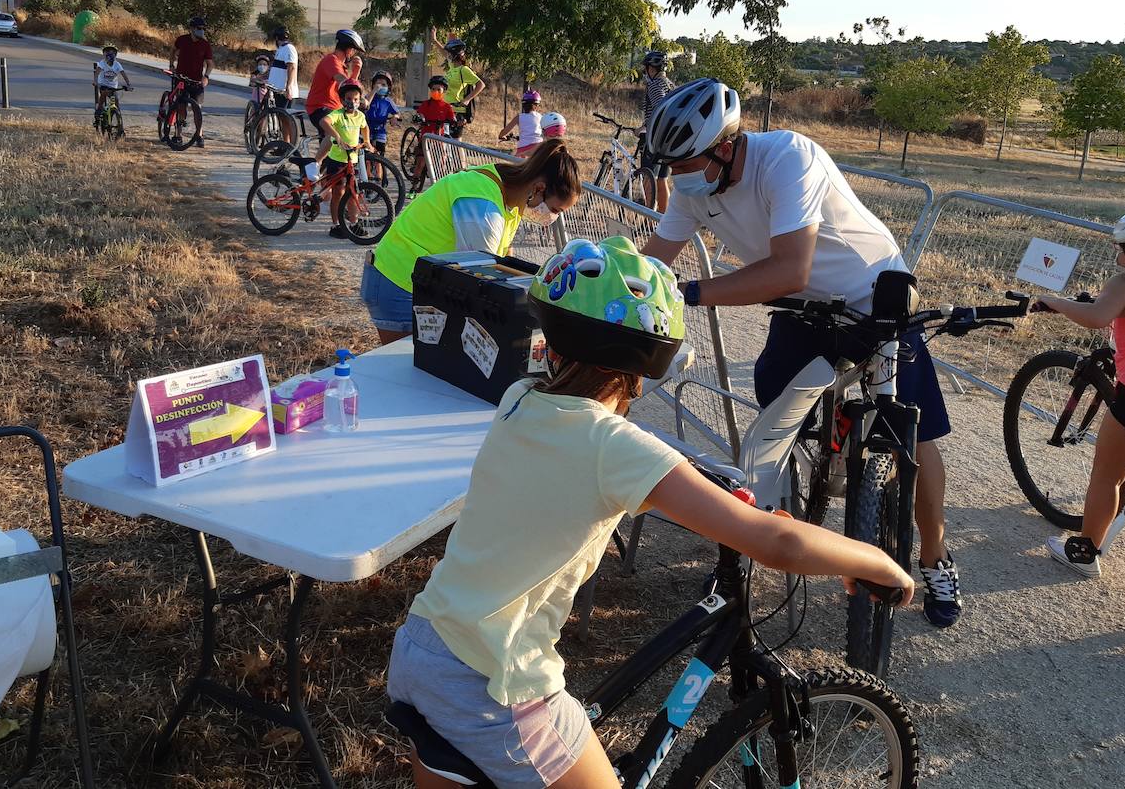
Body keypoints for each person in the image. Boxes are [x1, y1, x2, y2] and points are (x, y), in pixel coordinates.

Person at [386, 235, 914, 788]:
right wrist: (875, 558)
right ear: (644, 369)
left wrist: (697, 484)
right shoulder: (614, 449)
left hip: (424, 646)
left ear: (555, 343)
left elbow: (593, 458)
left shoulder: (520, 398)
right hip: (495, 683)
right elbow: (775, 543)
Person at [641, 77, 963, 628]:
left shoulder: (787, 157)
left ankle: (934, 554)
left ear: (724, 147)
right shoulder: (698, 189)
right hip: (800, 305)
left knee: (914, 433)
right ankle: (754, 532)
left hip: (872, 292)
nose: (676, 181)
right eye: (667, 168)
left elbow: (791, 267)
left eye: (685, 167)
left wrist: (691, 292)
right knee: (772, 417)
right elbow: (651, 261)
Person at [364, 139, 581, 345]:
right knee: (408, 372)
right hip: (398, 280)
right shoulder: (483, 206)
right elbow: (480, 280)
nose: (551, 218)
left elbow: (502, 263)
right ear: (539, 188)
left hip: (420, 282)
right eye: (554, 210)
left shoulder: (511, 199)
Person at [1031, 204, 1125, 577]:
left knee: (1106, 474)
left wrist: (1055, 303)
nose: (1117, 256)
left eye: (1122, 249)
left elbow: (1098, 317)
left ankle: (1084, 550)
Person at [321, 79, 373, 239]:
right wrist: (337, 137)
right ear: (342, 99)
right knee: (338, 193)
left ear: (360, 100)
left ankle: (353, 223)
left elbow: (365, 127)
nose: (352, 102)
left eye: (356, 99)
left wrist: (367, 142)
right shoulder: (337, 114)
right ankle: (336, 225)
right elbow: (324, 122)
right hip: (337, 160)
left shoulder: (360, 116)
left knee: (353, 193)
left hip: (353, 160)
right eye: (349, 99)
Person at [307, 28, 365, 148]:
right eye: (354, 50)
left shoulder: (341, 65)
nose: (353, 53)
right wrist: (362, 98)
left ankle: (328, 165)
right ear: (348, 49)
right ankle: (315, 164)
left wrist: (356, 71)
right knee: (335, 135)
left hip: (334, 108)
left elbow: (348, 89)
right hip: (320, 108)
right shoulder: (331, 60)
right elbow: (343, 82)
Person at [167, 16, 214, 147]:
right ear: (192, 29)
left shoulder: (205, 44)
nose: (202, 31)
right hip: (181, 78)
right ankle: (178, 134)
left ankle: (199, 135)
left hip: (196, 81)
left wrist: (206, 77)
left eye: (204, 29)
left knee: (197, 108)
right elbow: (173, 51)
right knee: (181, 107)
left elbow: (210, 64)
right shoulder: (182, 40)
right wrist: (171, 65)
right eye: (199, 28)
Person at [639, 50, 675, 212]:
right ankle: (661, 216)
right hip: (669, 139)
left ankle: (648, 216)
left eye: (646, 68)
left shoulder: (654, 85)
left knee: (648, 177)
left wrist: (644, 126)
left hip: (656, 138)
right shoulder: (669, 84)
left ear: (651, 69)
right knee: (662, 179)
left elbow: (660, 109)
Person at [430, 32, 484, 138]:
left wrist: (467, 99)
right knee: (443, 141)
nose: (447, 55)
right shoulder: (452, 66)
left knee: (456, 145)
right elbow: (444, 53)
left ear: (455, 55)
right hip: (446, 109)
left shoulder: (463, 70)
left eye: (450, 53)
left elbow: (481, 85)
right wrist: (435, 40)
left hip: (457, 112)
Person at [411, 76, 458, 183]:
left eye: (438, 90)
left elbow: (452, 118)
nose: (435, 92)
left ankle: (439, 185)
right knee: (420, 163)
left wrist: (456, 121)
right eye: (433, 89)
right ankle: (413, 186)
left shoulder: (447, 107)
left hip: (439, 138)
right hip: (425, 137)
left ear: (444, 91)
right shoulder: (425, 104)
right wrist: (420, 118)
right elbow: (420, 114)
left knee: (442, 161)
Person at [364, 71, 400, 179]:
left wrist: (395, 118)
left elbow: (397, 113)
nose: (380, 87)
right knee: (367, 155)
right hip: (366, 129)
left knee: (379, 154)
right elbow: (365, 104)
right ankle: (368, 177)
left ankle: (379, 178)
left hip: (380, 130)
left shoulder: (388, 101)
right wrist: (374, 91)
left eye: (383, 85)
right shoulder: (369, 97)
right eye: (377, 84)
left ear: (388, 87)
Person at [91, 45, 132, 126]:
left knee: (116, 102)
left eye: (112, 53)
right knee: (104, 93)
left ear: (115, 55)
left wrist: (128, 84)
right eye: (107, 53)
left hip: (113, 86)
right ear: (105, 55)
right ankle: (99, 110)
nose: (109, 56)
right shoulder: (102, 63)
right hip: (103, 84)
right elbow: (97, 72)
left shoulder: (117, 64)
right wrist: (95, 81)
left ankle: (119, 124)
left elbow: (123, 74)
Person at [499, 89, 544, 157]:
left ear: (523, 104)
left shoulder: (519, 117)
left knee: (514, 161)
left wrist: (501, 136)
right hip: (539, 148)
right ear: (536, 105)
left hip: (523, 149)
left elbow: (505, 131)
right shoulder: (541, 117)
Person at [265, 25, 299, 106]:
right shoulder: (281, 49)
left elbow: (292, 67)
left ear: (276, 38)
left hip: (284, 91)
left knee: (284, 117)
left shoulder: (289, 48)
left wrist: (288, 86)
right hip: (276, 90)